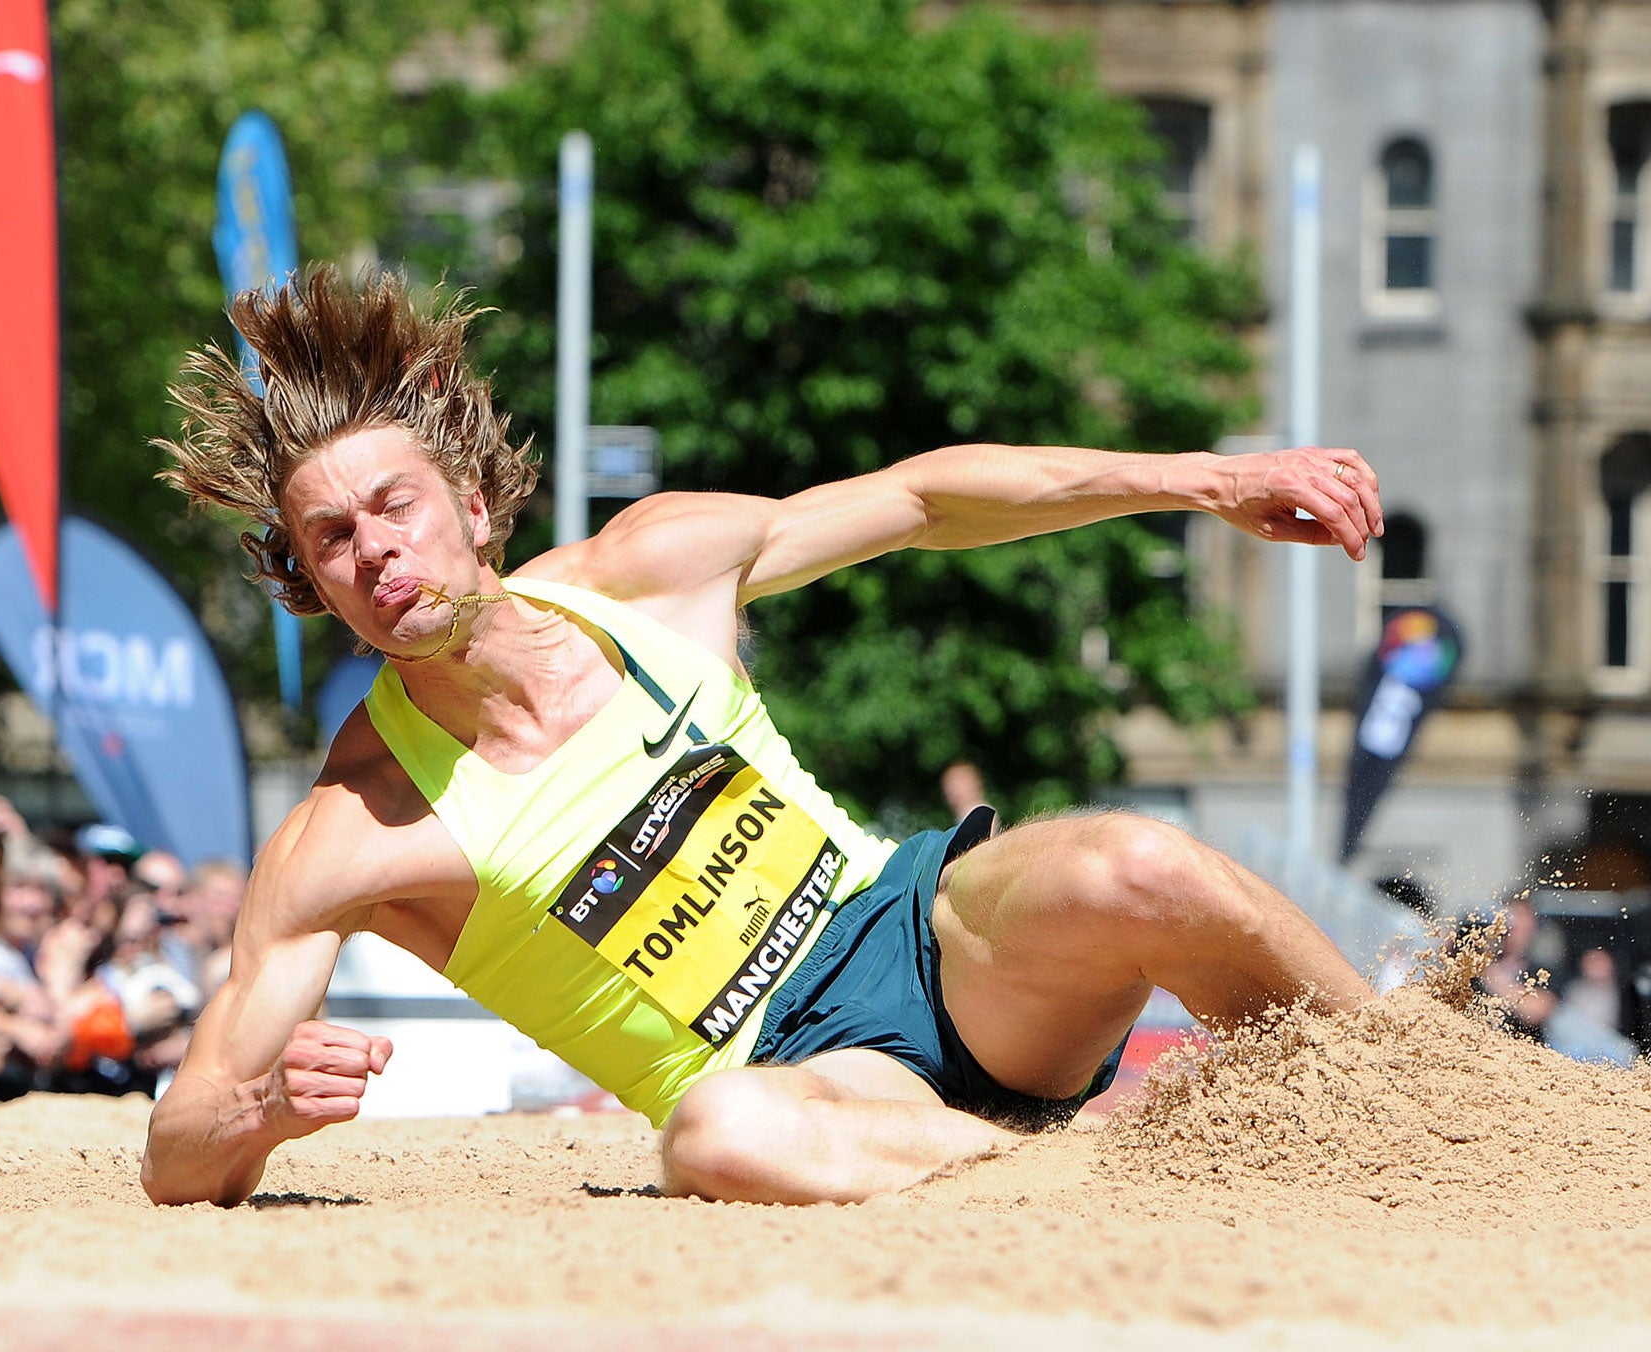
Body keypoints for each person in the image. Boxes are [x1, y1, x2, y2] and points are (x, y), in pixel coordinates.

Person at [140, 268, 1383, 1208]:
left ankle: (1421, 1087)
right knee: (715, 1136)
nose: (375, 552)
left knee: (1136, 865)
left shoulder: (645, 574)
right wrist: (257, 1116)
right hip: (810, 1086)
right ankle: (1083, 1177)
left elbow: (920, 499)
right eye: (332, 540)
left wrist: (1206, 480)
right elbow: (177, 1145)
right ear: (312, 583)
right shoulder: (351, 828)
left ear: (469, 505)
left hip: (921, 936)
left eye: (393, 506)